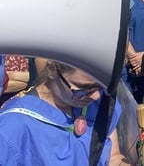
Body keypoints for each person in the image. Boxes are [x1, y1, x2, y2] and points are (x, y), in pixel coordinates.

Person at [0, 60, 128, 165]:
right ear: (52, 70)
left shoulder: (101, 103)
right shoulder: (13, 127)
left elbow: (113, 157)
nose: (96, 96)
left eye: (100, 85)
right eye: (83, 88)